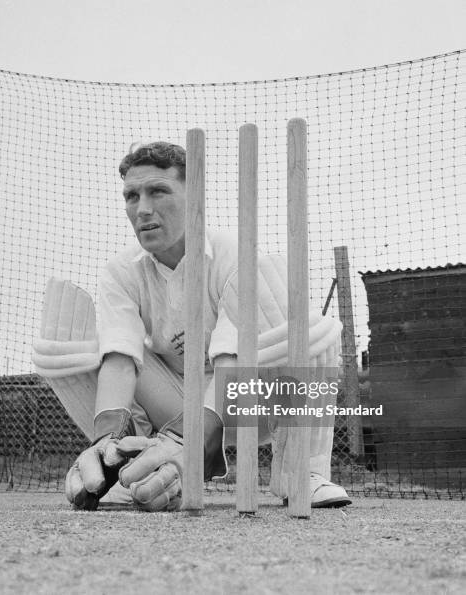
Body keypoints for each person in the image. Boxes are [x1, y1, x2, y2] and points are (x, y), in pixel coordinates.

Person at [36, 141, 351, 512]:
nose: (143, 209)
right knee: (78, 342)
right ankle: (129, 466)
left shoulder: (233, 254)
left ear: (195, 197)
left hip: (258, 401)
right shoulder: (121, 272)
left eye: (158, 191)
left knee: (302, 319)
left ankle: (301, 471)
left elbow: (233, 365)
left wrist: (188, 438)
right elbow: (121, 362)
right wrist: (107, 435)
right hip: (176, 404)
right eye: (132, 196)